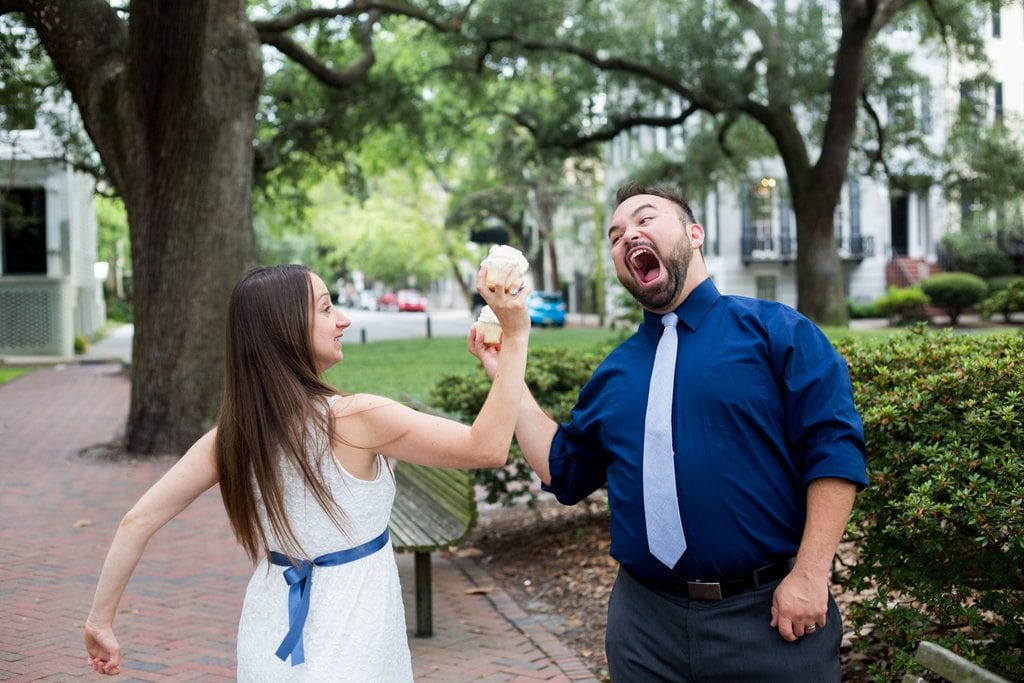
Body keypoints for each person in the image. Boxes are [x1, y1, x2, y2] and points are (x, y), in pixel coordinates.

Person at [469, 183, 868, 681]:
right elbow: (563, 469)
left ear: (693, 233)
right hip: (644, 629)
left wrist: (810, 575)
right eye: (615, 236)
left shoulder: (777, 333)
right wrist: (506, 367)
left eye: (645, 219)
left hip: (768, 620)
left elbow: (834, 450)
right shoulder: (616, 374)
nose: (627, 236)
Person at [85, 262, 531, 680]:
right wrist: (515, 337)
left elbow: (136, 521)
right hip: (355, 639)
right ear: (285, 331)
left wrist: (100, 622)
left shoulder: (233, 437)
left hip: (267, 637)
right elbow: (488, 448)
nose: (343, 320)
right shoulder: (358, 417)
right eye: (325, 308)